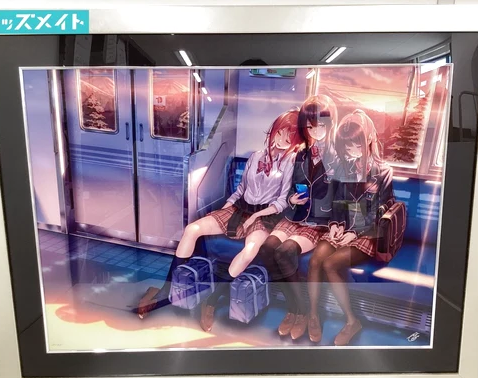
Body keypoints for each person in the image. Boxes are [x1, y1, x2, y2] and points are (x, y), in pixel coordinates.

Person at [137, 109, 304, 329]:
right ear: (274, 130)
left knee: (249, 251)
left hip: (265, 216)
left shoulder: (291, 162)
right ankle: (164, 290)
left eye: (290, 137)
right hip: (239, 208)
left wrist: (254, 216)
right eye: (281, 132)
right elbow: (241, 189)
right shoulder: (256, 156)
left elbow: (282, 201)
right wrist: (226, 208)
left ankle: (211, 302)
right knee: (192, 230)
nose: (283, 139)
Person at [306, 109, 395, 346]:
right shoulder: (342, 168)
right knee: (315, 261)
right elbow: (337, 202)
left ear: (369, 140)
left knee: (330, 264)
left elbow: (379, 211)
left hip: (368, 234)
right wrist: (335, 224)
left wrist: (354, 232)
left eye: (357, 145)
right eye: (347, 147)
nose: (352, 152)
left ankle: (352, 321)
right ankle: (313, 315)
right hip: (343, 228)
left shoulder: (383, 171)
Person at [258, 94, 338, 340]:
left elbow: (345, 195)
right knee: (267, 248)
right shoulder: (301, 155)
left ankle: (302, 312)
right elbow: (292, 186)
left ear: (330, 124)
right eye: (310, 127)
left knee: (285, 251)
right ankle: (296, 309)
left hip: (319, 222)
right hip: (295, 215)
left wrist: (337, 221)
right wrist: (292, 199)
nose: (316, 131)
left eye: (321, 125)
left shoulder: (338, 156)